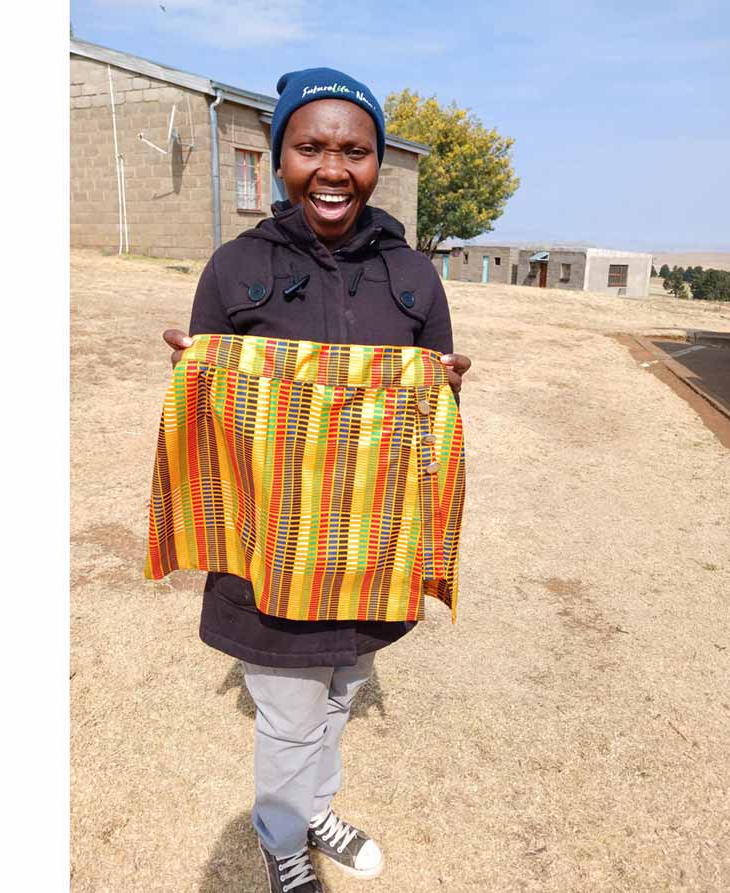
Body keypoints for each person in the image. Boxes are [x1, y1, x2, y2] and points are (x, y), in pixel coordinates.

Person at [161, 68, 471, 893]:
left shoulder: (415, 276)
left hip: (370, 551)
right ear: (278, 157)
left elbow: (427, 415)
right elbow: (214, 426)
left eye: (355, 150)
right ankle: (282, 836)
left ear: (376, 163)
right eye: (311, 147)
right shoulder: (234, 268)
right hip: (269, 555)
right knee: (291, 719)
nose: (333, 168)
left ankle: (314, 806)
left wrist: (445, 381)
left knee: (339, 696)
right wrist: (206, 371)